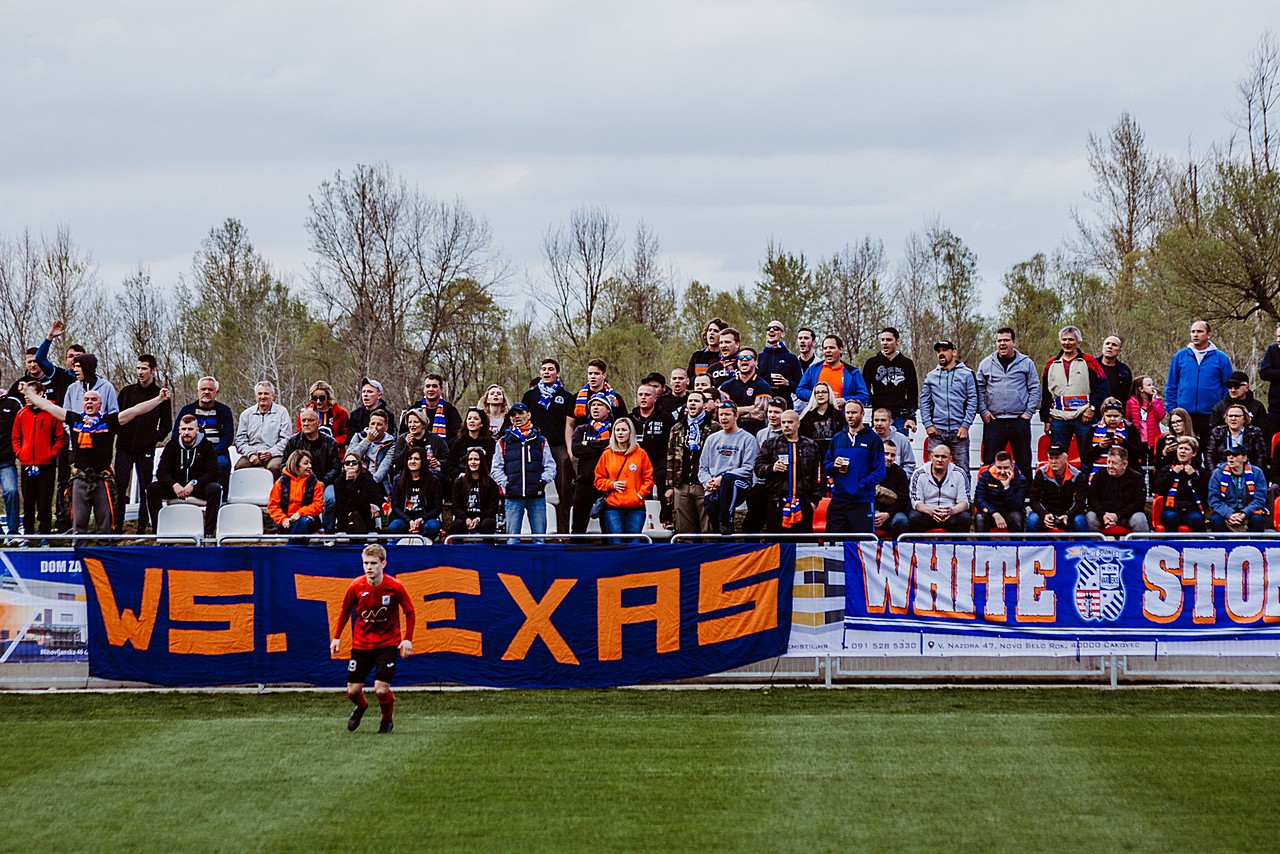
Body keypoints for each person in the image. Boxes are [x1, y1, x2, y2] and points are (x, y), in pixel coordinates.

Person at [22, 384, 172, 535]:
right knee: (78, 526)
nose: (89, 402)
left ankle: (103, 552)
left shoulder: (108, 421)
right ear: (82, 403)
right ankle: (79, 553)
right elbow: (48, 407)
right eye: (86, 399)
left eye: (94, 400)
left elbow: (136, 410)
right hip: (80, 479)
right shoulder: (74, 420)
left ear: (100, 405)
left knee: (104, 526)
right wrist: (29, 392)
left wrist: (159, 399)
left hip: (102, 480)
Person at [330, 544, 415, 735]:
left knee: (381, 689)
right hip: (361, 644)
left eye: (373, 563)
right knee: (352, 691)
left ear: (383, 563)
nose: (369, 567)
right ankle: (361, 707)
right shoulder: (356, 587)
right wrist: (336, 637)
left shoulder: (395, 587)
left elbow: (409, 611)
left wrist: (407, 639)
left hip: (387, 643)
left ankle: (387, 720)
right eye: (366, 563)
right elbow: (345, 611)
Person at [112, 354, 172, 535]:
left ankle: (142, 526)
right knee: (120, 485)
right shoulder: (127, 392)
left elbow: (166, 425)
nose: (140, 372)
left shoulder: (161, 395)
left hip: (145, 449)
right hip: (124, 447)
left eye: (144, 368)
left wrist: (153, 439)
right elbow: (117, 416)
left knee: (146, 488)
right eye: (138, 368)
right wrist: (120, 433)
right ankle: (117, 526)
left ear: (153, 370)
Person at [976, 327, 1039, 483]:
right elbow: (977, 389)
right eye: (999, 341)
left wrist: (1028, 413)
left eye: (1006, 340)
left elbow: (1035, 388)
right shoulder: (986, 364)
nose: (1002, 344)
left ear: (1014, 342)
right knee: (990, 461)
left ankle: (1026, 500)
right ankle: (991, 496)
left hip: (1019, 420)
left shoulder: (1026, 363)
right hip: (994, 421)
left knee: (1024, 462)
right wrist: (983, 411)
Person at [1039, 326, 1110, 459]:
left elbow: (1103, 388)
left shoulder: (1089, 362)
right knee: (1058, 457)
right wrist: (1046, 419)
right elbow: (1046, 394)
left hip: (1084, 417)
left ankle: (1087, 480)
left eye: (1071, 340)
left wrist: (1092, 408)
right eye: (1064, 339)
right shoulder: (1051, 364)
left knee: (1088, 455)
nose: (1067, 343)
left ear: (1078, 342)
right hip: (1058, 418)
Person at [148, 414, 222, 539]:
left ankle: (209, 533)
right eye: (184, 429)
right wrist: (174, 484)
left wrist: (194, 483)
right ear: (179, 430)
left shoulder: (206, 446)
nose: (186, 432)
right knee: (152, 489)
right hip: (176, 487)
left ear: (197, 429)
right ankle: (158, 532)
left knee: (215, 488)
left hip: (198, 487)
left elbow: (213, 472)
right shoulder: (172, 446)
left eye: (190, 429)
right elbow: (162, 471)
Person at [521, 358, 573, 533]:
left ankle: (565, 531)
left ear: (557, 373)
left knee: (564, 486)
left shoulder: (566, 397)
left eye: (550, 369)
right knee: (532, 484)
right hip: (536, 445)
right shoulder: (530, 396)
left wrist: (569, 448)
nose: (546, 372)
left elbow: (569, 425)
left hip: (558, 445)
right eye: (543, 369)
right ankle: (534, 530)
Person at [491, 402, 556, 541]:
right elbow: (496, 468)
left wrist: (542, 481)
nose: (517, 417)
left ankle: (539, 562)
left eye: (520, 413)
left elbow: (550, 466)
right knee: (512, 540)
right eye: (513, 415)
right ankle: (513, 563)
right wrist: (507, 484)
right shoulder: (503, 442)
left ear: (529, 415)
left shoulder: (540, 440)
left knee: (539, 539)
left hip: (536, 496)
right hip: (513, 496)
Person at [919, 340, 978, 490]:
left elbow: (973, 400)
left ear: (954, 352)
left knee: (962, 469)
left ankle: (964, 505)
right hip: (937, 432)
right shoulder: (931, 376)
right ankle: (933, 502)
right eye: (939, 351)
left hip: (959, 433)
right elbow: (924, 401)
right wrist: (928, 424)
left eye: (945, 350)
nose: (941, 354)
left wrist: (965, 425)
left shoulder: (967, 374)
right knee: (933, 469)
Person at [11, 380, 64, 540]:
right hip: (27, 464)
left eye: (31, 393)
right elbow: (15, 438)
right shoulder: (21, 413)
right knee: (28, 502)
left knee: (44, 502)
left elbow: (60, 438)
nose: (27, 397)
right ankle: (28, 535)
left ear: (40, 394)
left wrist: (51, 454)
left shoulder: (52, 412)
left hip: (46, 465)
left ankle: (45, 535)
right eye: (26, 394)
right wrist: (21, 454)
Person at [823, 400, 885, 534]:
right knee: (834, 544)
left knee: (861, 545)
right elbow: (826, 466)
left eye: (854, 412)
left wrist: (859, 485)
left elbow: (880, 472)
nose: (850, 416)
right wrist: (834, 465)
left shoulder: (873, 439)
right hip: (838, 500)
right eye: (848, 413)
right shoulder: (837, 438)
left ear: (862, 414)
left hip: (862, 501)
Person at [1166, 319, 1234, 439]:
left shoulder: (1221, 359)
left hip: (1211, 415)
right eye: (1193, 332)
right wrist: (1173, 410)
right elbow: (1171, 386)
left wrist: (1223, 410)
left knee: (1210, 451)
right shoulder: (1180, 357)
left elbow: (1228, 387)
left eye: (1199, 331)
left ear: (1209, 334)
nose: (1195, 335)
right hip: (1185, 415)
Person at [698, 402, 758, 535]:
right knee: (712, 509)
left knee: (729, 480)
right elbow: (703, 467)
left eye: (727, 414)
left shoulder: (748, 439)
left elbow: (748, 468)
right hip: (715, 486)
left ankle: (727, 520)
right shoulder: (712, 439)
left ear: (736, 415)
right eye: (721, 415)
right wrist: (708, 482)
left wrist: (722, 477)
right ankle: (723, 539)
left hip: (739, 484)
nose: (724, 418)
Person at [756, 409, 821, 532]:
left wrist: (814, 501)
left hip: (803, 503)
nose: (786, 425)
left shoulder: (811, 445)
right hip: (777, 503)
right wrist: (771, 468)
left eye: (790, 422)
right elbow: (757, 468)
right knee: (776, 546)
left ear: (798, 424)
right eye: (783, 422)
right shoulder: (771, 444)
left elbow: (818, 475)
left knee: (803, 547)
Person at [593, 417, 654, 542]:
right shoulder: (607, 454)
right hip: (613, 506)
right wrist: (612, 484)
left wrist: (640, 495)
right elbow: (598, 480)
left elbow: (648, 479)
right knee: (616, 543)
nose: (620, 433)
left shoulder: (641, 454)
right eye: (617, 430)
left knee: (634, 543)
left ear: (630, 432)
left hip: (636, 506)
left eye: (624, 430)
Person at [665, 389, 716, 534]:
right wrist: (670, 486)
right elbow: (670, 457)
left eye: (696, 401)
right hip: (682, 484)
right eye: (690, 401)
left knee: (708, 530)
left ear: (705, 405)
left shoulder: (714, 428)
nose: (692, 404)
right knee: (683, 531)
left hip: (704, 485)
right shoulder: (677, 428)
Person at [283, 408, 342, 529]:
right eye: (303, 420)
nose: (306, 423)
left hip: (324, 482)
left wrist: (324, 482)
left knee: (330, 499)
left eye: (310, 420)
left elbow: (336, 467)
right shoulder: (293, 442)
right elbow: (285, 465)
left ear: (318, 423)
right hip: (299, 482)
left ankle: (327, 531)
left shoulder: (330, 442)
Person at [174, 376, 235, 489]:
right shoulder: (187, 410)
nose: (206, 392)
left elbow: (228, 437)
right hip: (190, 451)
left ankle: (221, 498)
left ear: (216, 392)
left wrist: (211, 453)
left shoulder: (224, 411)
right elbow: (176, 435)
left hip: (217, 451)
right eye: (203, 389)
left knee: (221, 463)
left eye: (210, 390)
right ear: (197, 391)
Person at [1078, 447, 1149, 534]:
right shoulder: (1099, 475)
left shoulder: (1136, 478)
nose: (1110, 466)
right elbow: (1092, 500)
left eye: (1114, 463)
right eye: (1108, 462)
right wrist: (1103, 514)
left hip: (1127, 516)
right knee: (1090, 516)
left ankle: (1141, 547)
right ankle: (1094, 546)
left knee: (1139, 518)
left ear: (1124, 464)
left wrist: (1117, 516)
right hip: (1103, 516)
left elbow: (1139, 503)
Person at [570, 394, 614, 534]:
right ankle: (576, 552)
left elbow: (613, 448)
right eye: (592, 405)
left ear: (608, 409)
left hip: (607, 483)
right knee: (578, 525)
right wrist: (601, 447)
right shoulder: (581, 429)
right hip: (584, 482)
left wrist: (588, 444)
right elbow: (576, 450)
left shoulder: (615, 429)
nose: (595, 408)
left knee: (607, 526)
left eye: (599, 405)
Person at [862, 327, 919, 434]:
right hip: (879, 415)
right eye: (882, 340)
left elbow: (912, 391)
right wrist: (873, 401)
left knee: (899, 448)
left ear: (897, 341)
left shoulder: (907, 364)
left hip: (900, 416)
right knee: (878, 449)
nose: (885, 343)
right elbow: (864, 387)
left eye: (888, 340)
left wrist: (911, 417)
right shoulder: (872, 363)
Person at [907, 442, 971, 533]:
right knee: (914, 517)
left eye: (944, 457)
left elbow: (965, 502)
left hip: (950, 513)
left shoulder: (959, 474)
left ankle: (958, 546)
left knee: (965, 518)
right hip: (928, 513)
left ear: (950, 459)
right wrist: (930, 510)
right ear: (931, 457)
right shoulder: (919, 474)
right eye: (937, 456)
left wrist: (953, 510)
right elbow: (916, 502)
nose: (940, 460)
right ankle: (919, 546)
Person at [233, 381, 293, 476]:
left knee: (275, 467)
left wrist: (271, 452)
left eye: (266, 393)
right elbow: (240, 440)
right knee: (239, 467)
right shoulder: (246, 414)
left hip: (274, 454)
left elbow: (286, 439)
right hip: (252, 454)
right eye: (260, 393)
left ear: (272, 396)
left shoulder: (282, 412)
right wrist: (250, 454)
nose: (263, 396)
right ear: (256, 396)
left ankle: (276, 490)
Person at [795, 334, 869, 410]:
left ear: (841, 349)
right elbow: (800, 390)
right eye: (825, 348)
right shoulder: (813, 369)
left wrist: (845, 400)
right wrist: (817, 395)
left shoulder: (852, 372)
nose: (828, 351)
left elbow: (864, 396)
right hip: (818, 417)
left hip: (842, 417)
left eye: (832, 348)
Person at [631, 383, 671, 523]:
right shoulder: (630, 418)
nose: (643, 398)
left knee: (662, 477)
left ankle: (665, 520)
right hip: (635, 462)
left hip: (659, 461)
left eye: (647, 395)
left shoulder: (666, 418)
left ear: (655, 398)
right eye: (640, 395)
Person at [1208, 444, 1270, 533]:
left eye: (1235, 455)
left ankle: (1254, 546)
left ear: (1244, 458)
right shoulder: (1218, 473)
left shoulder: (1257, 473)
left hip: (1249, 510)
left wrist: (1244, 514)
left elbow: (1259, 499)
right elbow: (1214, 500)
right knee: (1215, 519)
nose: (1230, 458)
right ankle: (1222, 547)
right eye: (1228, 455)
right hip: (1226, 510)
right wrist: (1229, 514)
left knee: (1258, 519)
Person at [1151, 436, 1208, 532]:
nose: (1182, 451)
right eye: (1180, 448)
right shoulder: (1168, 469)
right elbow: (1158, 489)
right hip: (1171, 508)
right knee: (1171, 518)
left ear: (1193, 453)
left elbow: (1204, 493)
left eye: (1186, 449)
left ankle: (1199, 547)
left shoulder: (1200, 472)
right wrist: (1173, 473)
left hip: (1192, 509)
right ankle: (1171, 546)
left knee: (1197, 519)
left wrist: (1193, 476)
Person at [387, 447, 442, 539]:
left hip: (426, 519)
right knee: (394, 527)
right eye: (410, 459)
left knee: (432, 527)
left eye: (416, 459)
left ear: (423, 461)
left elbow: (437, 508)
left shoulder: (433, 480)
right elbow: (395, 506)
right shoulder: (398, 480)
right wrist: (409, 521)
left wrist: (421, 519)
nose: (412, 461)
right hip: (405, 519)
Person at [267, 449, 325, 537]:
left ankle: (291, 548)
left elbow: (318, 505)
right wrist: (283, 519)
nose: (309, 466)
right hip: (285, 523)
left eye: (310, 463)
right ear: (296, 465)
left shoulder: (315, 483)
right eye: (305, 463)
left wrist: (299, 513)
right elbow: (273, 506)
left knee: (303, 522)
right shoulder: (280, 482)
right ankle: (294, 549)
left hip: (307, 520)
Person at [1081, 399, 1142, 478]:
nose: (1112, 419)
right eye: (1109, 416)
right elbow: (1085, 457)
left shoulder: (1130, 429)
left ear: (1121, 415)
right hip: (1098, 475)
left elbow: (1139, 454)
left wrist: (1123, 443)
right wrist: (1099, 447)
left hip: (1126, 475)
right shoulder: (1093, 429)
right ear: (1103, 415)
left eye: (1116, 416)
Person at [1027, 443, 1081, 533]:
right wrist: (1044, 514)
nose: (1053, 462)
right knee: (1032, 520)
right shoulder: (1041, 473)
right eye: (1050, 458)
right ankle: (1034, 547)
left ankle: (1084, 547)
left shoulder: (1077, 475)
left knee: (1080, 521)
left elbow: (1080, 502)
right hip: (1046, 512)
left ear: (1065, 458)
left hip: (1068, 513)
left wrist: (1068, 515)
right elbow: (1034, 500)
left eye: (1057, 458)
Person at [720, 346, 773, 434]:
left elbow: (760, 414)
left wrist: (733, 412)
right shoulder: (727, 385)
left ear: (756, 362)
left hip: (754, 433)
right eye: (741, 358)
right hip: (730, 433)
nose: (744, 360)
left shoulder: (763, 386)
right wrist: (750, 408)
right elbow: (723, 411)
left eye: (748, 357)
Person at [449, 448, 500, 537]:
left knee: (488, 524)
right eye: (470, 459)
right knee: (456, 525)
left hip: (483, 518)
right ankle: (458, 550)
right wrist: (466, 519)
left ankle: (487, 549)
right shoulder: (459, 482)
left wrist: (478, 519)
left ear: (482, 462)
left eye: (476, 459)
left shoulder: (491, 483)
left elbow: (493, 508)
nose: (473, 462)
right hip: (464, 519)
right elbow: (455, 506)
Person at [333, 452, 387, 535]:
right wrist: (349, 483)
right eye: (347, 463)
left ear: (359, 464)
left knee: (355, 522)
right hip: (346, 516)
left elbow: (374, 497)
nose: (351, 465)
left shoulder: (366, 480)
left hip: (365, 516)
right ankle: (363, 543)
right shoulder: (339, 482)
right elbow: (342, 506)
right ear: (343, 466)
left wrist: (376, 507)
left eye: (354, 463)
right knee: (355, 516)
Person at [973, 451, 1028, 533]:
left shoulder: (1020, 479)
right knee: (980, 518)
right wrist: (994, 513)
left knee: (1016, 517)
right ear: (995, 466)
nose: (1002, 472)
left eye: (1005, 468)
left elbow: (1017, 505)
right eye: (999, 468)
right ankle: (983, 545)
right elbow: (978, 499)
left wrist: (1007, 488)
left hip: (1010, 512)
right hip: (991, 512)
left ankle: (1016, 545)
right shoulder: (985, 476)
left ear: (1012, 467)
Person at [1204, 402, 1268, 470]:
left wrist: (1254, 474)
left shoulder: (1254, 433)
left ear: (1244, 418)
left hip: (1248, 471)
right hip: (1222, 471)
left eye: (1237, 416)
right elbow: (1209, 457)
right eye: (1230, 416)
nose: (1233, 418)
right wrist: (1215, 474)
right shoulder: (1217, 432)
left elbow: (1261, 457)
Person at [348, 409, 397, 493]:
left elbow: (384, 468)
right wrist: (367, 440)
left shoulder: (390, 444)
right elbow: (349, 458)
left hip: (378, 483)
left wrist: (368, 484)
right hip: (356, 478)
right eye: (373, 423)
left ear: (386, 427)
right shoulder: (358, 437)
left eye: (379, 424)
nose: (375, 427)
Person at [404, 374, 462, 442]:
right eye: (428, 386)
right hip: (416, 450)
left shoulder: (450, 411)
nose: (431, 389)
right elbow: (403, 433)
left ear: (441, 389)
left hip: (444, 450)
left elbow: (457, 436)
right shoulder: (414, 409)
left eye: (434, 386)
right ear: (424, 389)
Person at [391, 409, 448, 478]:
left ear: (423, 424)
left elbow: (447, 458)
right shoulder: (402, 439)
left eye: (416, 422)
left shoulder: (435, 439)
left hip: (431, 474)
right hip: (408, 474)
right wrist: (407, 447)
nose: (412, 425)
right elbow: (397, 462)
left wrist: (439, 462)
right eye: (410, 422)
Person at [445, 407, 495, 485]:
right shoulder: (458, 442)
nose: (472, 421)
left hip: (485, 481)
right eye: (469, 418)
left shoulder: (490, 442)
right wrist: (459, 474)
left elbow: (493, 463)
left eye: (476, 419)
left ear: (482, 423)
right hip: (463, 481)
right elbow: (450, 465)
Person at [1210, 371, 1269, 436]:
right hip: (1225, 444)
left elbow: (1265, 432)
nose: (1233, 390)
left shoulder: (1257, 407)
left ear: (1246, 388)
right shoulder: (1219, 407)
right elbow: (1213, 432)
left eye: (1236, 386)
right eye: (1230, 386)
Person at [758, 319, 802, 402]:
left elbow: (800, 386)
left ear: (782, 334)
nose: (771, 330)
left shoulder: (791, 358)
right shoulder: (759, 357)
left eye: (776, 328)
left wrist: (787, 383)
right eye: (769, 328)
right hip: (762, 405)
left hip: (784, 404)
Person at [799, 381, 844, 463]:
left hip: (832, 456)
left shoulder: (838, 415)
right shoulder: (807, 416)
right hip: (812, 457)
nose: (820, 395)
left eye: (824, 392)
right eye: (817, 392)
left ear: (829, 394)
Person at [874, 441, 911, 538]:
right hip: (871, 511)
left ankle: (897, 550)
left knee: (902, 521)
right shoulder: (867, 469)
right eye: (886, 454)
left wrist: (887, 514)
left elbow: (903, 500)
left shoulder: (900, 473)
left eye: (892, 455)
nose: (889, 458)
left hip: (892, 513)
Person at [301, 380, 349, 451]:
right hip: (310, 451)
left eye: (322, 398)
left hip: (334, 450)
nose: (318, 401)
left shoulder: (340, 413)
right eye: (315, 398)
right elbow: (300, 433)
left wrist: (333, 442)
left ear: (328, 397)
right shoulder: (305, 413)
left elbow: (347, 434)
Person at [1125, 376, 1166, 457]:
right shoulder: (1131, 403)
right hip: (1138, 438)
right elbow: (1128, 419)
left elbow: (1160, 416)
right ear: (1141, 389)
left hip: (1153, 438)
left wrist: (1155, 401)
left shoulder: (1156, 402)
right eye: (1149, 385)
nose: (1152, 387)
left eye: (1152, 384)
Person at [0, 381, 21, 542]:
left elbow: (23, 427)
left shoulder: (12, 403)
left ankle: (13, 531)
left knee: (11, 491)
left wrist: (18, 451)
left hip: (6, 460)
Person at [871, 406, 916, 478]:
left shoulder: (902, 439)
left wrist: (901, 479)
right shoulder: (867, 439)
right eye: (876, 420)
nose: (879, 423)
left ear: (890, 422)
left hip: (895, 483)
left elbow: (909, 464)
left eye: (883, 420)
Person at [1154, 408, 1200, 473]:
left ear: (1186, 421)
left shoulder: (1195, 441)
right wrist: (1164, 453)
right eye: (1173, 422)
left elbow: (1198, 463)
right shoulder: (1163, 440)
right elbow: (1157, 465)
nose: (1175, 425)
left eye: (1179, 421)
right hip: (1167, 476)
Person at [1098, 336, 1133, 412]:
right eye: (1107, 344)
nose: (1110, 347)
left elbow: (1127, 396)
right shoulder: (1091, 366)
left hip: (1115, 414)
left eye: (1114, 345)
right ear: (1103, 347)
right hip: (1092, 413)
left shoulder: (1125, 371)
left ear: (1120, 351)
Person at [1258, 322, 1280, 426]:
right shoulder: (1273, 350)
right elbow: (1264, 372)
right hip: (1275, 408)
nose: (1278, 340)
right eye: (1278, 336)